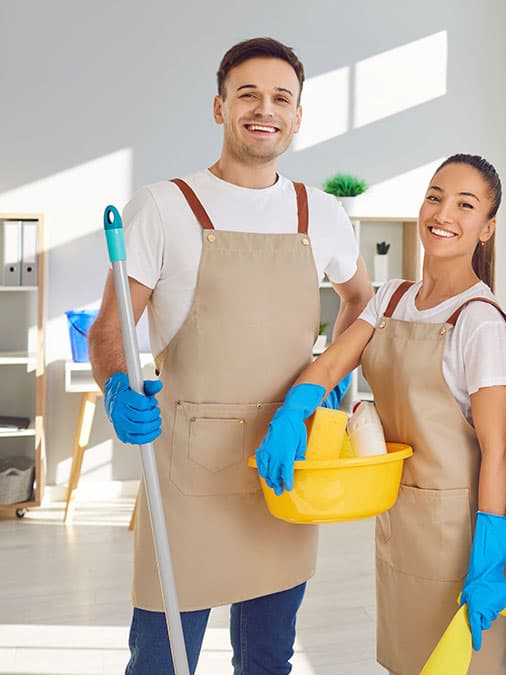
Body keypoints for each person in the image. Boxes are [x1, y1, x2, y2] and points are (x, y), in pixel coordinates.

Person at [88, 37, 372, 673]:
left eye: (281, 98)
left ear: (297, 116)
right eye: (247, 94)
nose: (263, 109)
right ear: (219, 107)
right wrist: (115, 387)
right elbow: (110, 329)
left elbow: (363, 304)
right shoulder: (163, 207)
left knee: (269, 659)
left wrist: (323, 385)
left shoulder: (319, 213)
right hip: (189, 477)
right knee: (160, 661)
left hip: (282, 465)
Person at [254, 154, 506, 675]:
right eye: (435, 196)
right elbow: (331, 363)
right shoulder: (392, 298)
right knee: (409, 662)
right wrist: (292, 412)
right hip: (399, 518)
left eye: (466, 205)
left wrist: (489, 555)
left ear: (486, 228)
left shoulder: (481, 321)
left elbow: (499, 449)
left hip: (460, 535)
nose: (444, 212)